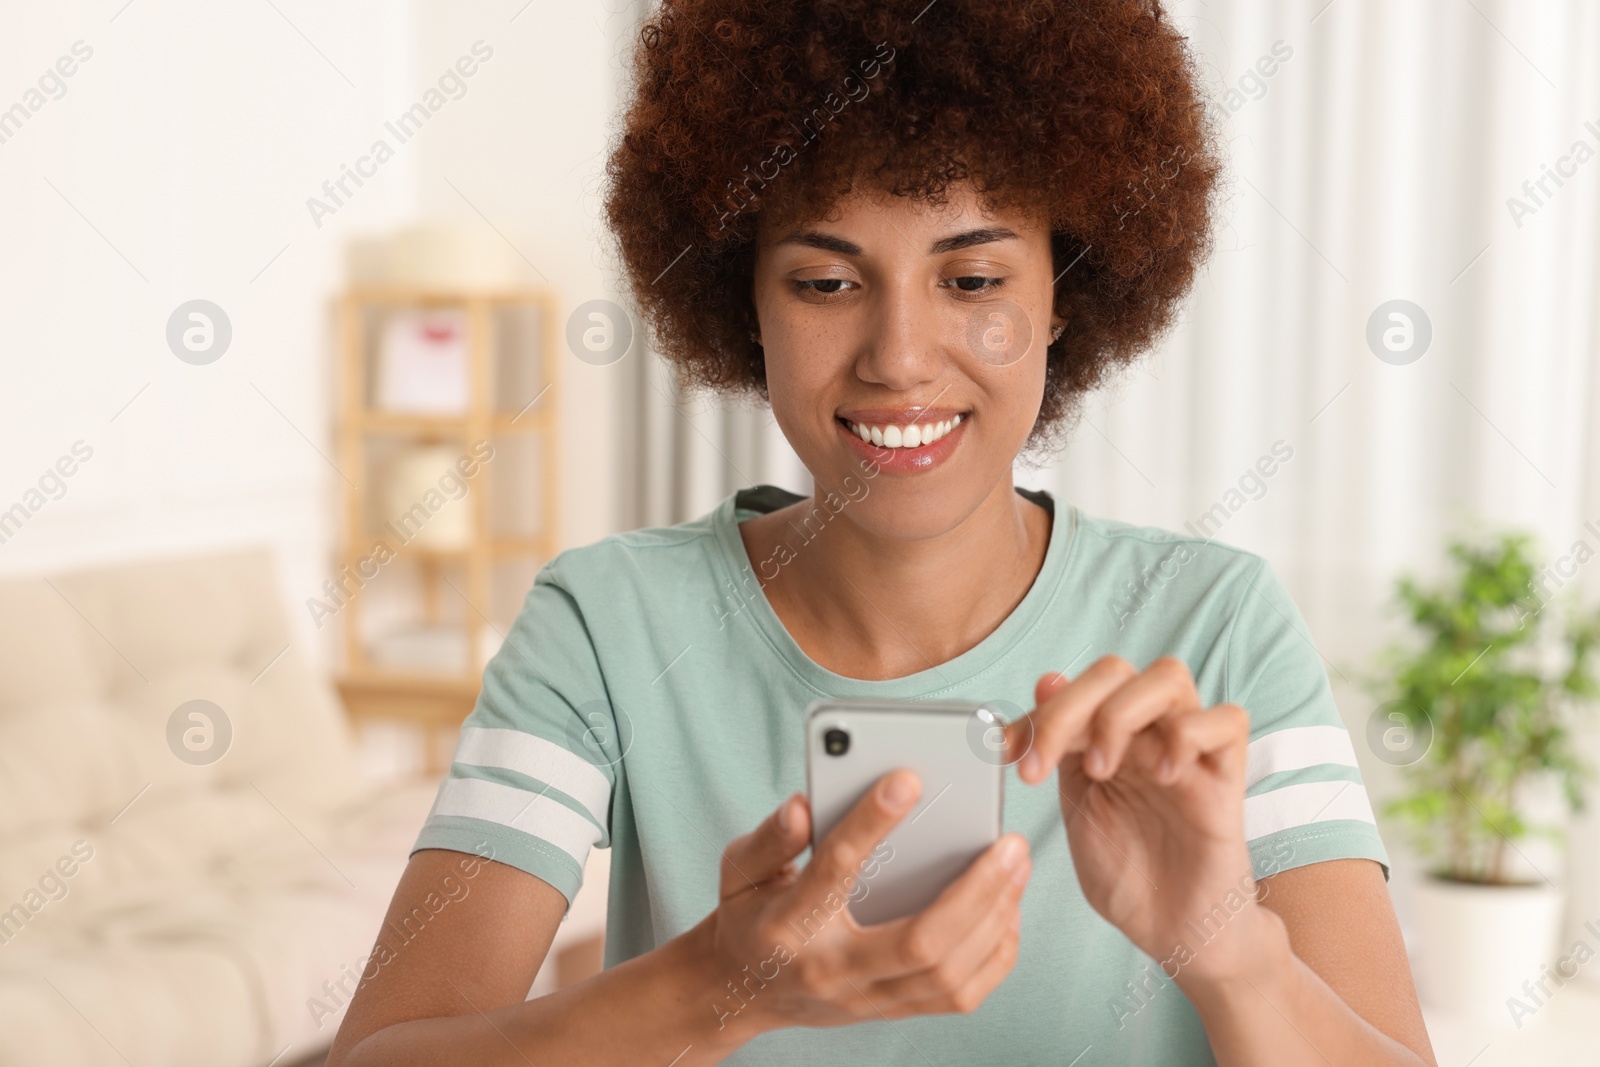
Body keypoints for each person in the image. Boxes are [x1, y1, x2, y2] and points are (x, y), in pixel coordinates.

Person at [328, 1, 1437, 1064]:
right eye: (823, 279)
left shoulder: (1216, 628)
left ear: (1062, 294)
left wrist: (1230, 944)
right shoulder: (605, 627)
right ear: (742, 300)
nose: (898, 355)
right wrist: (716, 987)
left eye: (972, 278)